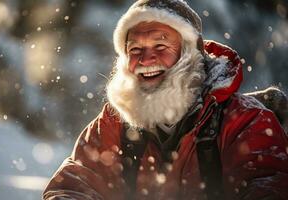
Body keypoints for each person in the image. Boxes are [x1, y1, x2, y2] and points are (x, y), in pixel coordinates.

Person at [43, 0, 288, 199]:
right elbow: (76, 184)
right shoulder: (113, 122)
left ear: (191, 52)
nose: (146, 59)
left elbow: (269, 184)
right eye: (135, 49)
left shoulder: (246, 120)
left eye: (160, 45)